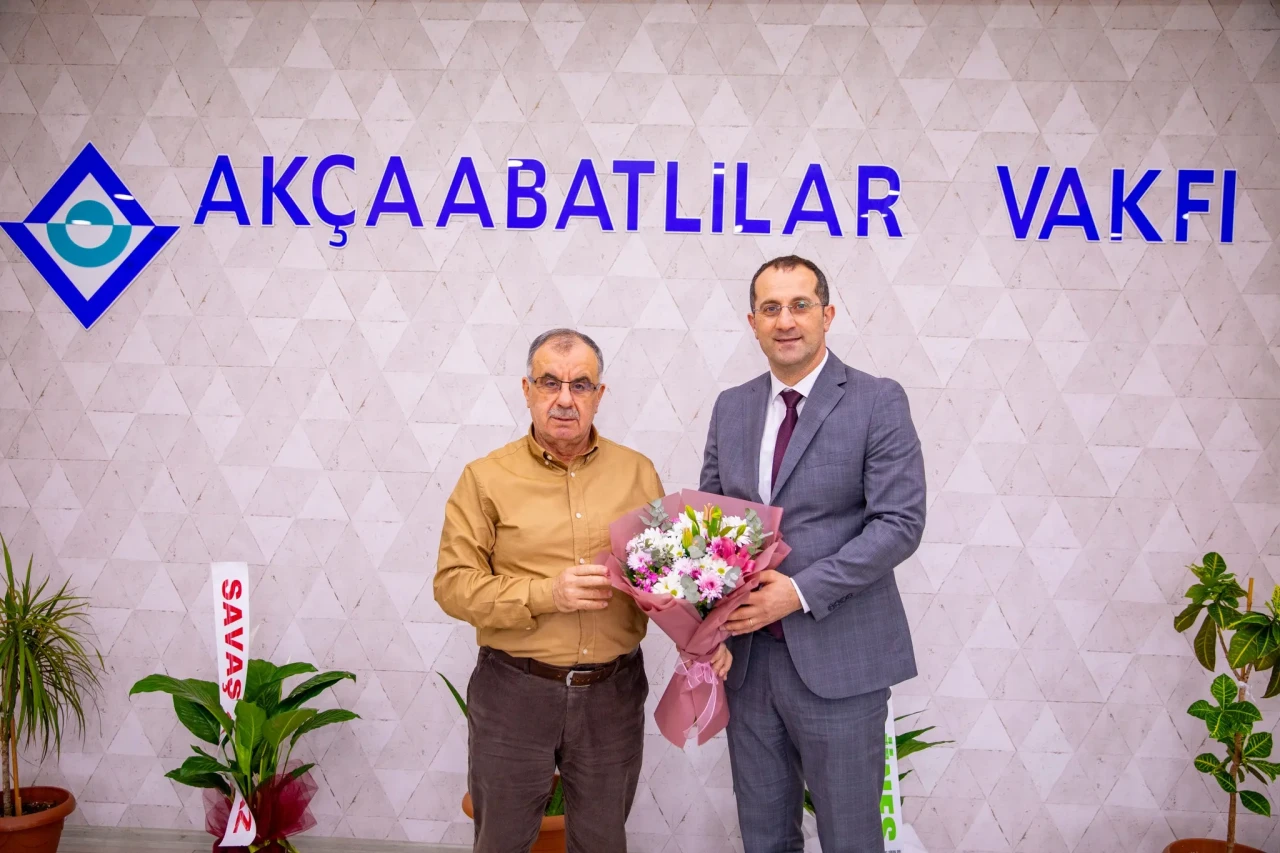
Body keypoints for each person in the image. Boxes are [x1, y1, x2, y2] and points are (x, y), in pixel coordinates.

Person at [434, 328, 730, 853]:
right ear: (526, 389)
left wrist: (704, 638)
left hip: (611, 696)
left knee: (602, 843)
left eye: (580, 385)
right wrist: (547, 593)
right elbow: (453, 586)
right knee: (501, 842)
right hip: (514, 692)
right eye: (550, 383)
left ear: (600, 394)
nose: (565, 399)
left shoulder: (636, 472)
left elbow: (667, 578)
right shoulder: (484, 478)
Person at [699, 257, 926, 853]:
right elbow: (711, 530)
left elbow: (899, 524)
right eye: (771, 308)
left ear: (827, 315)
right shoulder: (731, 407)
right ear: (752, 322)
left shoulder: (877, 400)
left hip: (840, 662)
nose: (786, 321)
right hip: (748, 666)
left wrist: (797, 593)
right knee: (764, 839)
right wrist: (707, 627)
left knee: (850, 839)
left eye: (800, 305)